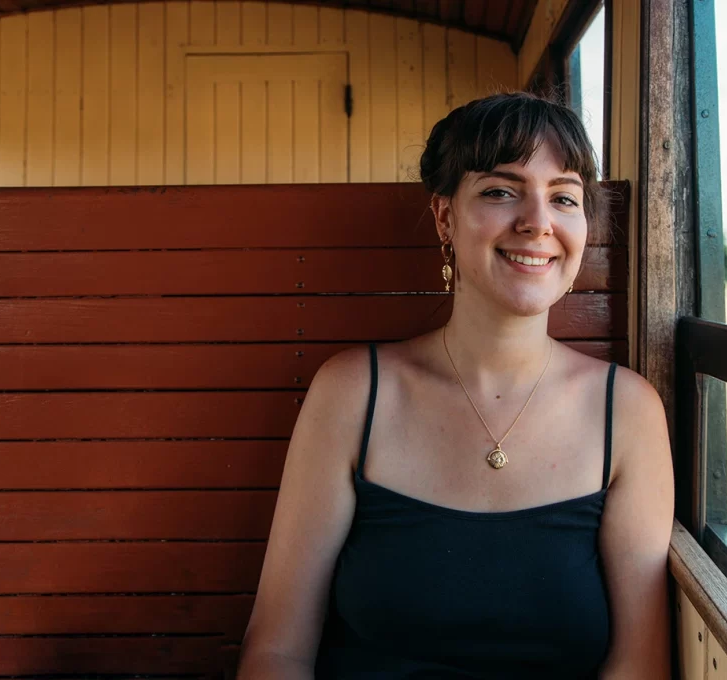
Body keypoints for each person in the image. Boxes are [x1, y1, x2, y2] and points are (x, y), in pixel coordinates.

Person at [236, 91, 674, 679]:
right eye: (500, 191)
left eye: (563, 198)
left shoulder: (629, 412)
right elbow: (277, 652)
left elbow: (638, 665)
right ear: (445, 217)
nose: (537, 222)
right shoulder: (352, 394)